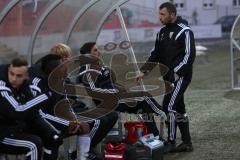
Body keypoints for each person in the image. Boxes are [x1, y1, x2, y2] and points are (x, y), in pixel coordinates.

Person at [29, 53, 118, 160]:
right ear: (54, 70)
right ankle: (79, 154)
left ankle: (81, 156)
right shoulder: (36, 84)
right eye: (63, 66)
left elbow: (65, 103)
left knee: (85, 125)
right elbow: (38, 113)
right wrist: (68, 123)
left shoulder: (58, 81)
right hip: (38, 122)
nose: (67, 69)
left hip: (55, 116)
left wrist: (73, 119)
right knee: (56, 138)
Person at [135, 2, 196, 153]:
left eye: (163, 14)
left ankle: (171, 142)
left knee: (169, 107)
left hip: (180, 77)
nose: (159, 17)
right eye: (159, 14)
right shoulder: (161, 33)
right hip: (167, 78)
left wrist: (177, 72)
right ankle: (187, 143)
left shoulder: (185, 31)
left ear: (172, 15)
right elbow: (155, 54)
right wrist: (143, 71)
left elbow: (190, 55)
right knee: (179, 108)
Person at [77, 42, 164, 137]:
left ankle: (155, 137)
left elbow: (109, 84)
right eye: (95, 50)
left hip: (116, 97)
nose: (99, 52)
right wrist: (114, 91)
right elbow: (94, 91)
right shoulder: (87, 70)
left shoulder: (98, 65)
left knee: (144, 108)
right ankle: (164, 114)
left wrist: (121, 89)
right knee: (144, 96)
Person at [0, 58, 62, 160]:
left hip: (13, 128)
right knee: (33, 145)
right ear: (9, 69)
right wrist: (45, 95)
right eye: (11, 74)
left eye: (19, 76)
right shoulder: (2, 87)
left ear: (26, 76)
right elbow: (17, 111)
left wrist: (51, 132)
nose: (14, 79)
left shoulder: (24, 86)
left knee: (52, 138)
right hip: (2, 133)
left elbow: (33, 114)